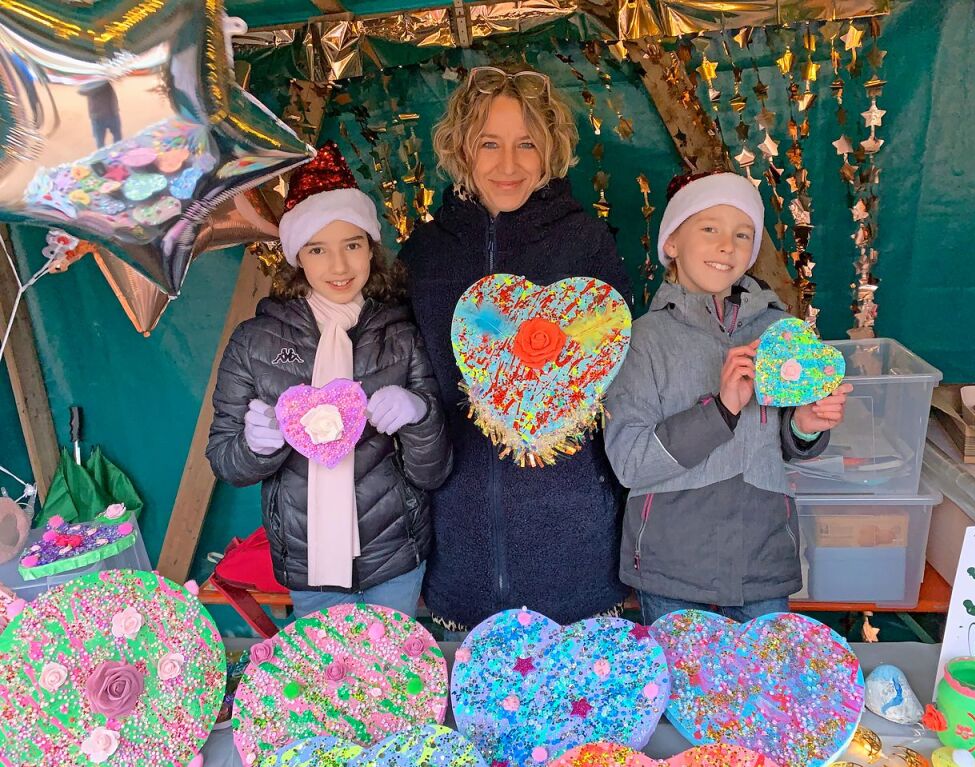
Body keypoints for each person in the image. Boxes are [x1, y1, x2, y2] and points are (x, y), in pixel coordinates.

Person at [399, 65, 633, 636]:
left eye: (526, 143)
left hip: (572, 534)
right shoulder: (426, 253)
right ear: (461, 149)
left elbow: (615, 378)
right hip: (462, 538)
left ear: (551, 149)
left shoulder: (586, 243)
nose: (508, 164)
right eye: (490, 144)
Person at [207, 142, 452, 619]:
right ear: (298, 256)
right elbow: (226, 462)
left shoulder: (402, 336)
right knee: (325, 684)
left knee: (391, 679)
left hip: (395, 558)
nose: (338, 267)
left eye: (352, 245)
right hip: (308, 565)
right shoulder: (254, 343)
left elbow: (433, 471)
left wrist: (419, 415)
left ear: (370, 249)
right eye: (318, 249)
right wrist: (256, 445)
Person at [603, 170, 853, 624]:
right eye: (709, 228)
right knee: (682, 691)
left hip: (763, 559)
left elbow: (782, 443)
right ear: (672, 243)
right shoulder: (643, 340)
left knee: (764, 690)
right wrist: (720, 410)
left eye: (742, 234)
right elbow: (630, 463)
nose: (727, 245)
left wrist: (805, 426)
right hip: (673, 567)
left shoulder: (778, 332)